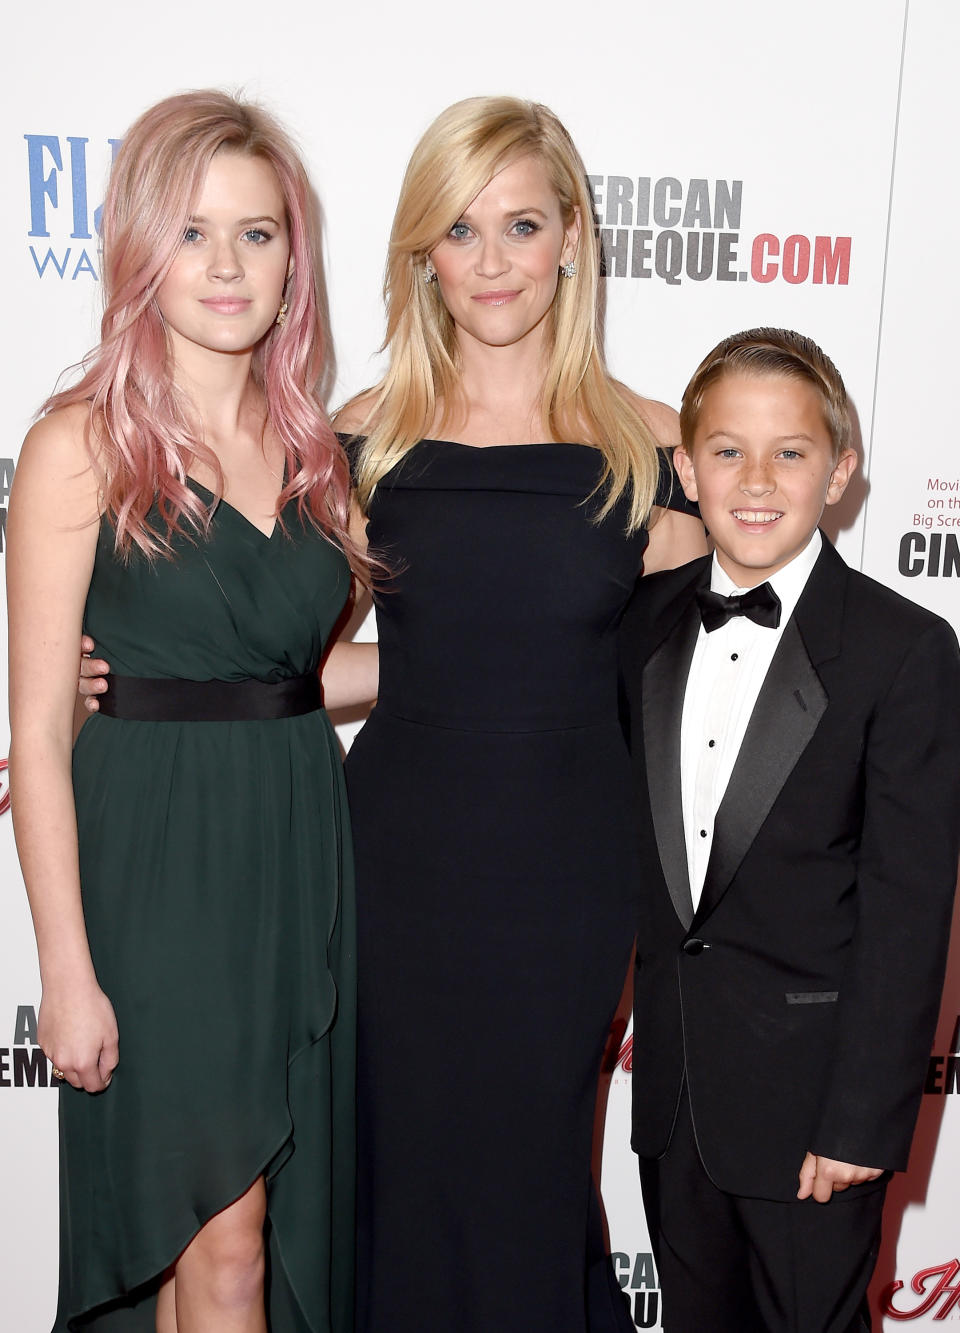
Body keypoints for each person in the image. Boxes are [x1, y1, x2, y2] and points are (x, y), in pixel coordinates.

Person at [334, 96, 705, 1333]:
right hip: (392, 865)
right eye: (459, 229)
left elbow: (753, 650)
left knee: (534, 1170)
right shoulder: (360, 440)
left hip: (568, 872)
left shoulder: (653, 444)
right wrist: (131, 677)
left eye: (522, 224)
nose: (491, 261)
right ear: (422, 254)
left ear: (570, 240)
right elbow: (315, 665)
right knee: (401, 1165)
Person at [8, 91, 369, 1333]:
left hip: (294, 861)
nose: (227, 266)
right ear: (140, 249)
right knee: (216, 1242)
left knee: (238, 1237)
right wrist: (65, 970)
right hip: (154, 864)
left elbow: (296, 676)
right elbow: (40, 739)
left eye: (258, 234)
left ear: (294, 257)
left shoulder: (325, 457)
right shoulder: (79, 445)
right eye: (195, 231)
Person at [618, 327, 960, 1333]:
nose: (756, 479)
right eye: (726, 450)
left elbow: (910, 909)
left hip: (816, 1112)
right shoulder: (639, 626)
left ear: (842, 469)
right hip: (676, 1105)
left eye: (792, 452)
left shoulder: (902, 651)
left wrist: (863, 1117)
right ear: (685, 468)